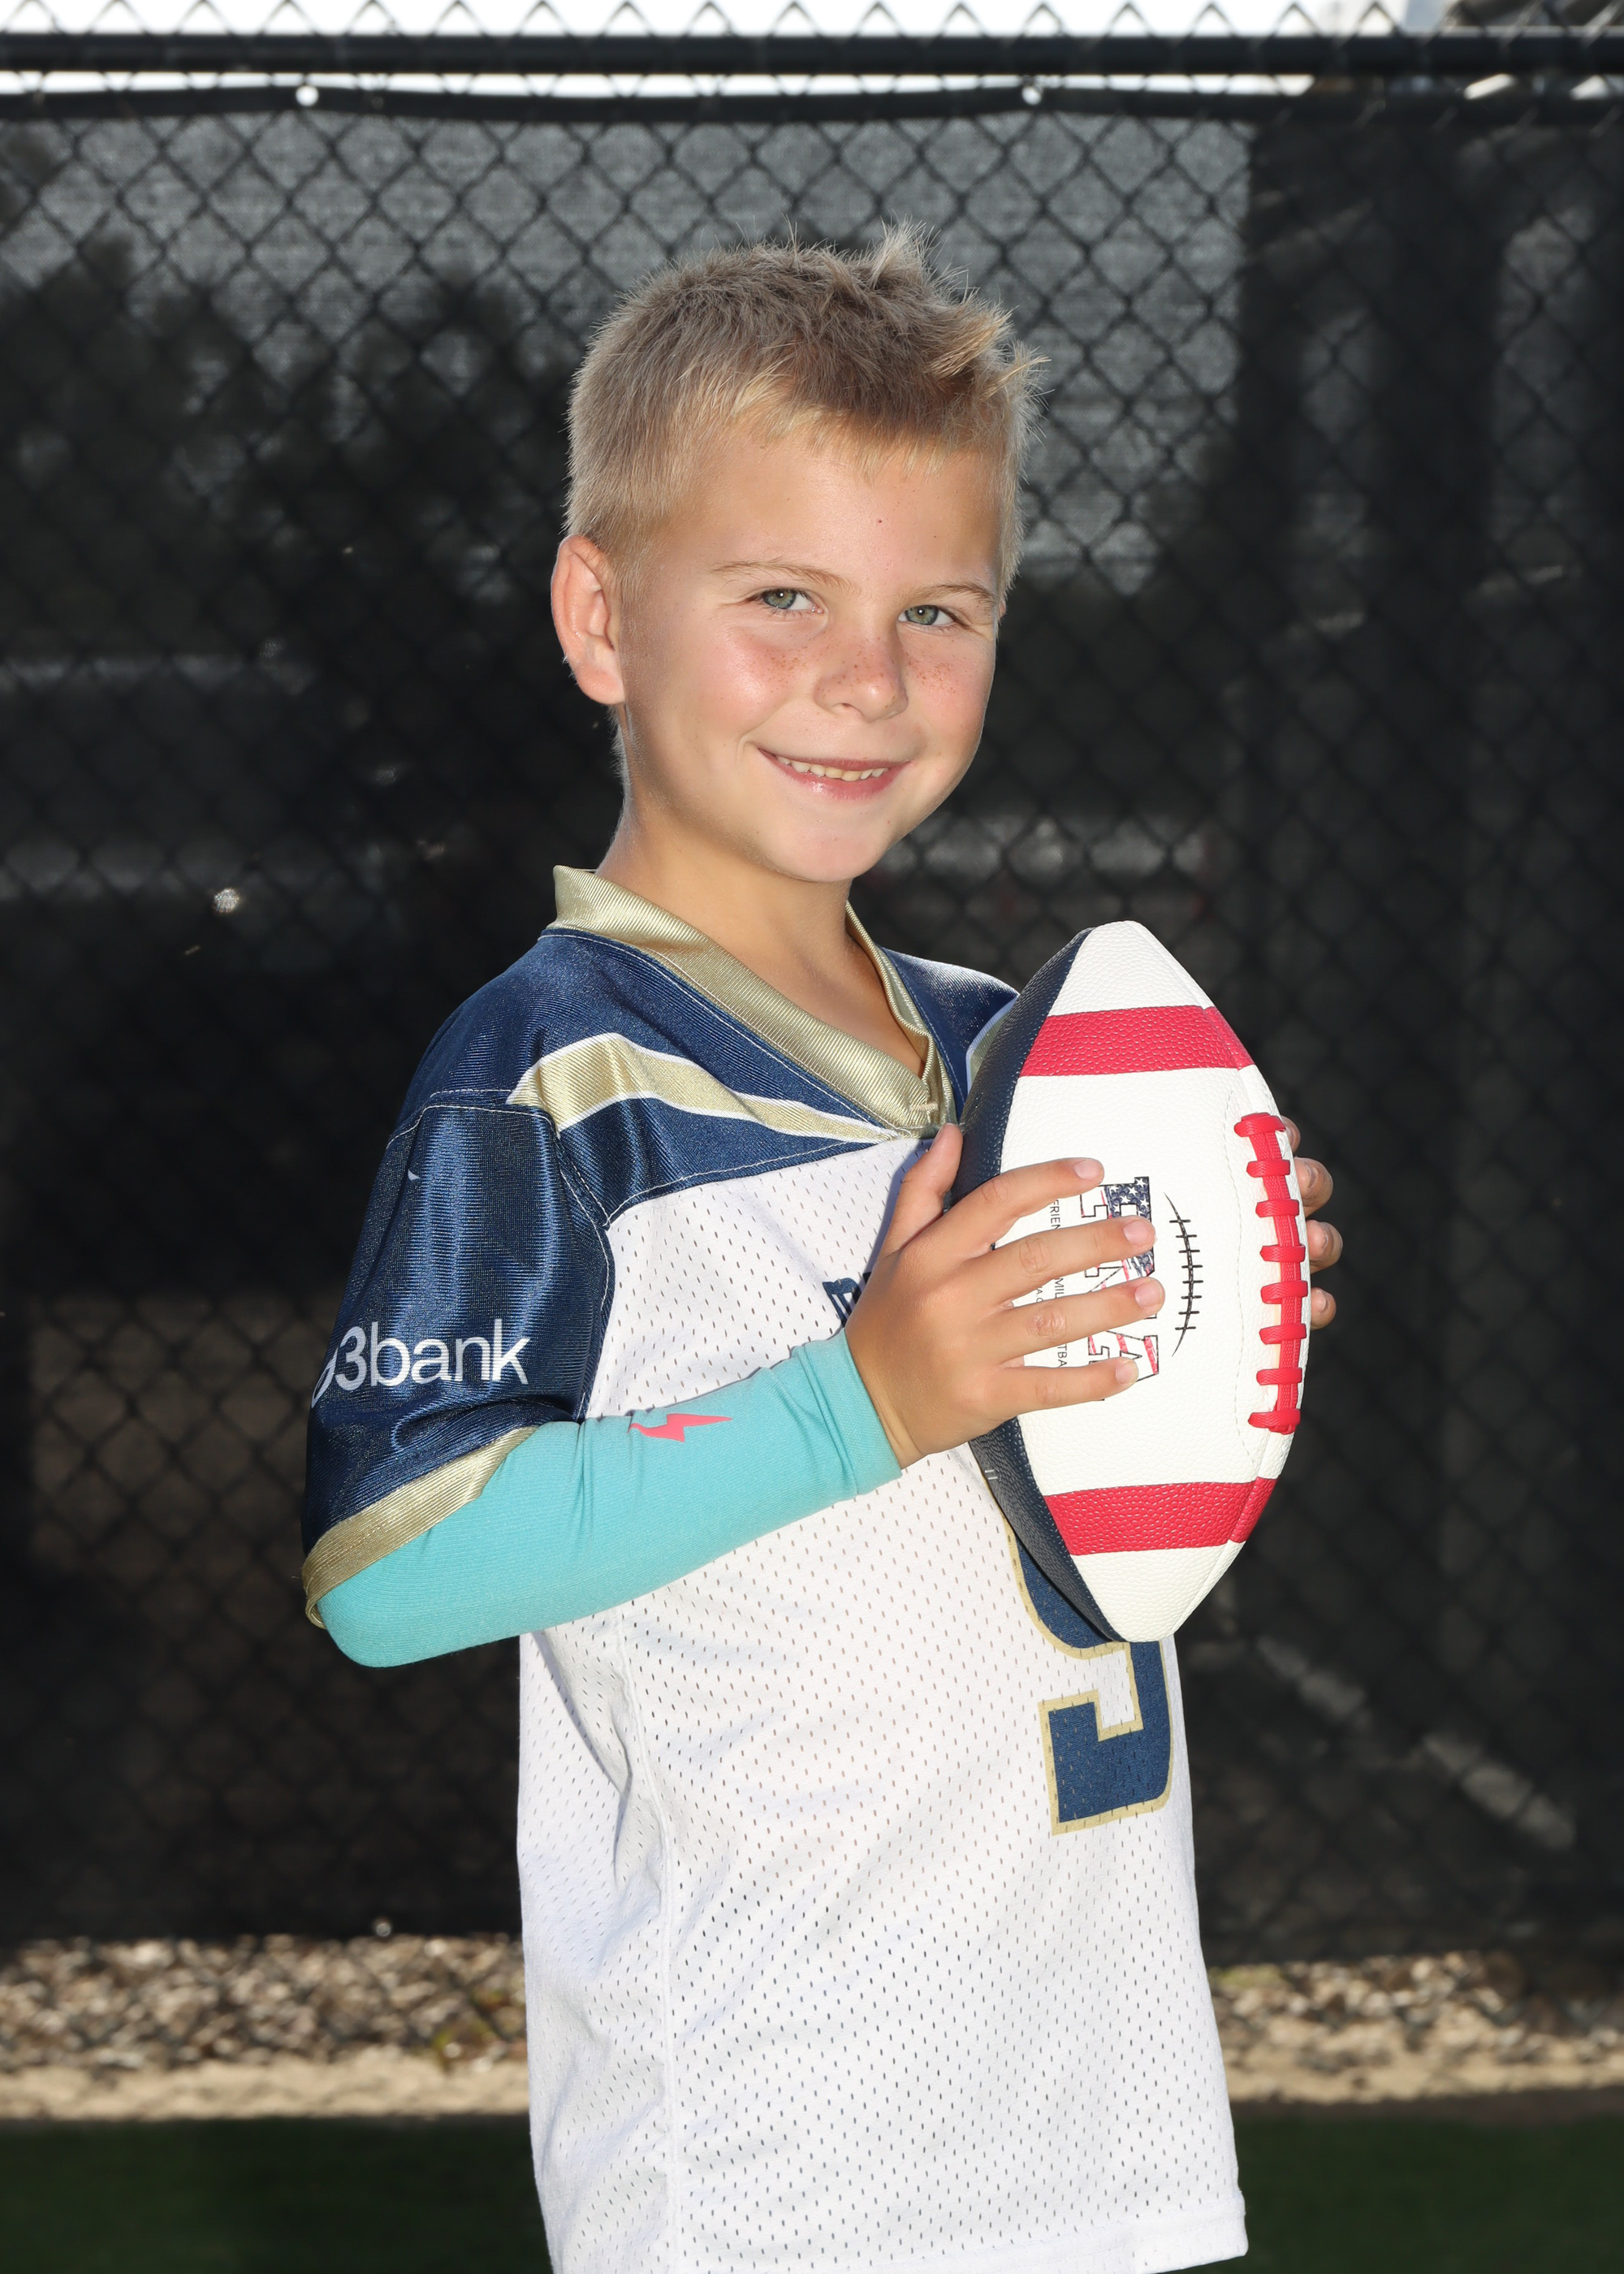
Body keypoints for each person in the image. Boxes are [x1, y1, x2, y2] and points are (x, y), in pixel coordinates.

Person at [302, 231, 1342, 2274]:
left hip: (1104, 2115)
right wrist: (858, 1400)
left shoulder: (1021, 1052)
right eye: (781, 596)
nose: (866, 677)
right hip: (781, 2161)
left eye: (933, 610)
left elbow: (1083, 1510)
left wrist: (1219, 1300)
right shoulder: (554, 1073)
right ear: (601, 617)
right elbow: (390, 1567)